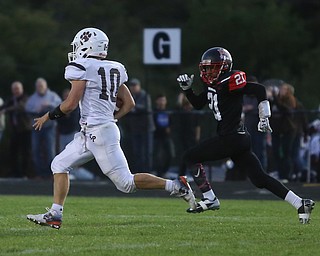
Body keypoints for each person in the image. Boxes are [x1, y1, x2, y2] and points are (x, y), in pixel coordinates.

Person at [26, 27, 196, 229]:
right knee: (59, 165)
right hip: (93, 132)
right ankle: (55, 214)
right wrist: (112, 118)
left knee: (126, 183)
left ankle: (176, 185)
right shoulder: (114, 67)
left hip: (99, 133)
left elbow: (71, 104)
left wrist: (48, 115)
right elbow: (129, 103)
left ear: (87, 45)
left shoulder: (82, 66)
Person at [176, 47, 315, 224]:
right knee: (260, 178)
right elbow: (198, 104)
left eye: (213, 67)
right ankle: (300, 203)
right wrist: (187, 90)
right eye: (206, 68)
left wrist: (264, 116)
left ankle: (210, 198)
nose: (208, 71)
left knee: (190, 156)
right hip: (238, 138)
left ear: (224, 66)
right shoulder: (212, 83)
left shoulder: (230, 80)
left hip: (231, 137)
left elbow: (259, 90)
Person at [25, 78, 62, 179]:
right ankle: (40, 173)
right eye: (38, 86)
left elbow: (60, 105)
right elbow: (27, 108)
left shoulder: (52, 96)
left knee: (50, 150)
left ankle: (52, 173)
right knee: (36, 150)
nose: (39, 88)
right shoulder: (33, 98)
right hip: (36, 127)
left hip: (49, 127)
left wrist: (48, 105)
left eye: (41, 86)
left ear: (45, 86)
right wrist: (36, 109)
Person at [0, 81, 33, 178]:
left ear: (21, 89)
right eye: (14, 89)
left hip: (25, 130)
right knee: (13, 151)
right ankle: (15, 172)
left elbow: (20, 107)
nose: (16, 91)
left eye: (17, 89)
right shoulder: (11, 99)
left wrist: (5, 110)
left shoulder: (26, 98)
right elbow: (4, 106)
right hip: (14, 130)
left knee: (25, 152)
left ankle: (24, 173)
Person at [126, 78, 155, 173]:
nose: (133, 87)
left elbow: (146, 108)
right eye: (131, 86)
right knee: (137, 151)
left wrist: (133, 106)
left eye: (135, 85)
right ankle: (139, 171)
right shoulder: (130, 96)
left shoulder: (144, 95)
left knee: (147, 151)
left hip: (146, 128)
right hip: (135, 128)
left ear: (139, 86)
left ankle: (148, 171)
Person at [153, 93, 175, 177]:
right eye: (160, 100)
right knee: (158, 156)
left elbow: (172, 123)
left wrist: (170, 129)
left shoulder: (168, 112)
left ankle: (164, 171)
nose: (162, 102)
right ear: (156, 101)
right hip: (157, 136)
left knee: (171, 154)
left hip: (167, 136)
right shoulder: (153, 111)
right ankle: (159, 173)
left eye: (163, 100)